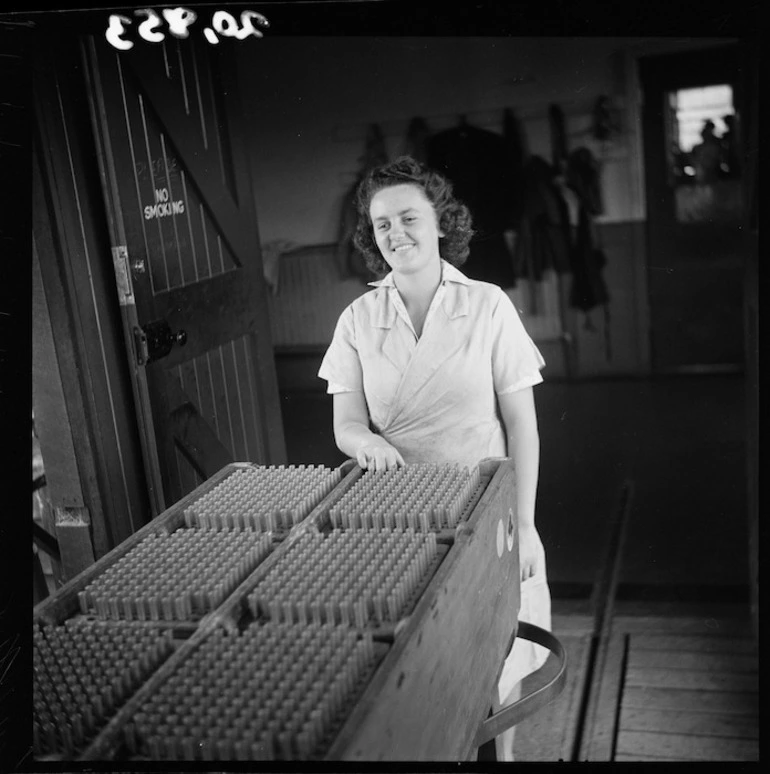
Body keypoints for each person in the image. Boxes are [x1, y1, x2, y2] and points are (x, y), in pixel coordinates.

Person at [318, 156, 551, 761]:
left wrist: (525, 526)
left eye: (408, 217)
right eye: (382, 225)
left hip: (487, 514)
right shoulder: (358, 320)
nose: (396, 234)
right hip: (400, 522)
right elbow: (346, 422)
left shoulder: (487, 305)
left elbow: (522, 425)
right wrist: (365, 441)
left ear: (441, 222)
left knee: (497, 664)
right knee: (417, 671)